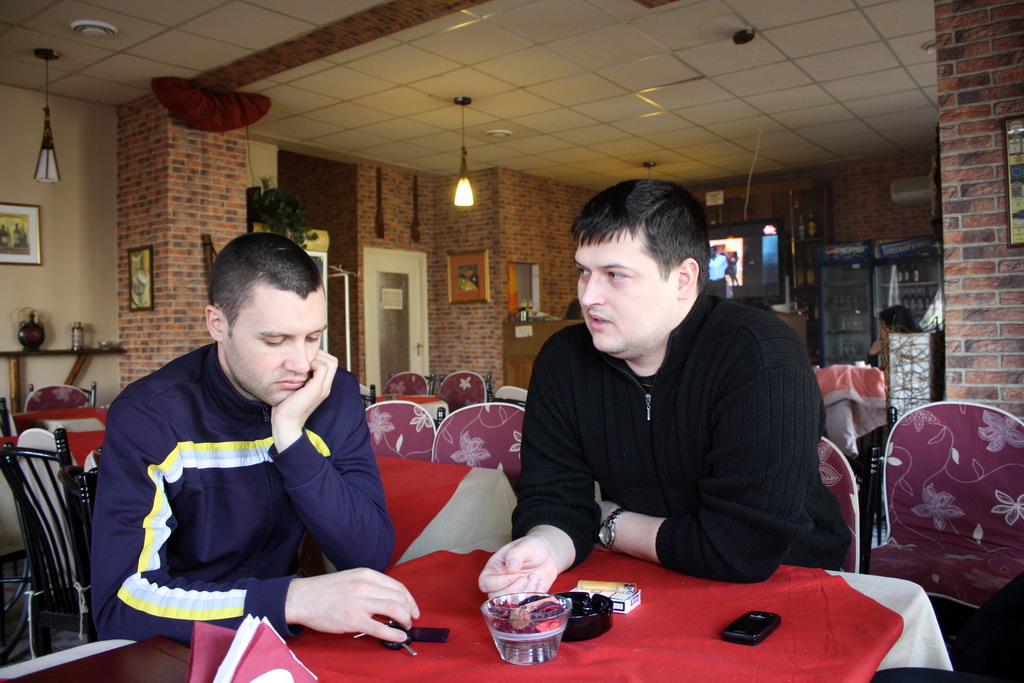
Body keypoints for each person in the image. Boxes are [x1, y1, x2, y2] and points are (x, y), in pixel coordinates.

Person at [479, 179, 848, 597]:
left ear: (683, 279)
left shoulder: (761, 356)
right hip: (647, 571)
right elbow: (553, 498)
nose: (588, 296)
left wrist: (609, 521)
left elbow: (742, 548)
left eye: (614, 275)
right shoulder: (563, 360)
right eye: (583, 272)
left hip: (790, 580)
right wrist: (545, 547)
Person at [91, 232, 418, 646]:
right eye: (275, 340)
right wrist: (288, 600)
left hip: (285, 639)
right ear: (217, 324)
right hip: (181, 647)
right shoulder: (150, 416)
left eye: (313, 337)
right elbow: (119, 608)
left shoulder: (331, 395)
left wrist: (291, 438)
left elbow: (368, 554)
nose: (301, 364)